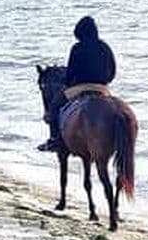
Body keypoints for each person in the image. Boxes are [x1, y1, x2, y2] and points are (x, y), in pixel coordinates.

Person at [37, 15, 117, 151]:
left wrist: (68, 82)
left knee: (55, 106)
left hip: (80, 87)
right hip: (102, 88)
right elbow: (112, 71)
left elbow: (70, 73)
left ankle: (55, 140)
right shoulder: (105, 47)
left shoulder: (77, 48)